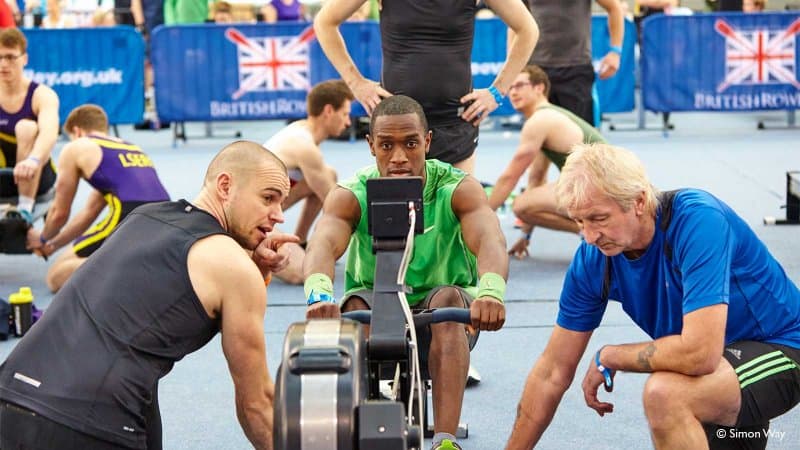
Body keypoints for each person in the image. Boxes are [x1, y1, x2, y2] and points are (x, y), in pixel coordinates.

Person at [0, 140, 297, 450]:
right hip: (87, 427)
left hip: (10, 400)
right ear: (225, 186)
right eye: (268, 198)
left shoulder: (144, 217)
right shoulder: (233, 268)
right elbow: (257, 408)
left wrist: (257, 270)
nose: (279, 215)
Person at [505, 143, 800, 450]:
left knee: (665, 394)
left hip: (782, 347)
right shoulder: (593, 259)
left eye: (598, 218)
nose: (589, 236)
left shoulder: (698, 220)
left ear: (639, 201)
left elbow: (700, 353)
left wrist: (610, 355)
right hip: (715, 376)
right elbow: (551, 372)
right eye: (579, 222)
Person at [303, 95, 509, 450]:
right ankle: (368, 427)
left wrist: (490, 291)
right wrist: (320, 292)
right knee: (354, 306)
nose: (399, 157)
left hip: (445, 318)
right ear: (371, 146)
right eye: (386, 145)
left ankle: (445, 442)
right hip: (374, 312)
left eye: (411, 143)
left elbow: (491, 239)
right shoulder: (351, 193)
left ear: (427, 142)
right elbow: (322, 243)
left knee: (446, 298)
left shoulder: (456, 188)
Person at [313, 0, 538, 175]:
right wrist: (356, 83)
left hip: (455, 122)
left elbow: (528, 29)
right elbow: (324, 22)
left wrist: (497, 91)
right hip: (398, 124)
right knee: (399, 221)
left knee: (456, 220)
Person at [25, 104, 171, 293]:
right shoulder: (130, 147)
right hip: (166, 215)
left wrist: (43, 237)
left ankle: (134, 269)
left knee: (56, 277)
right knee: (71, 259)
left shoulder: (77, 146)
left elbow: (59, 213)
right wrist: (52, 245)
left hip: (132, 214)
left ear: (77, 131)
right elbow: (89, 212)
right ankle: (139, 261)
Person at [486, 66, 606, 259]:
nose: (513, 92)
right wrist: (525, 234)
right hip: (602, 186)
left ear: (539, 88)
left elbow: (510, 177)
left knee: (520, 204)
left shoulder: (540, 120)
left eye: (520, 85)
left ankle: (595, 232)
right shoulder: (547, 117)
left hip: (603, 188)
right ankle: (594, 231)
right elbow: (536, 179)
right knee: (526, 203)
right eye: (511, 87)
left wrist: (477, 218)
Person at [262, 79, 353, 285]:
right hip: (246, 220)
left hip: (260, 208)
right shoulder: (304, 146)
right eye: (345, 114)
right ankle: (247, 249)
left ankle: (300, 242)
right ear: (329, 110)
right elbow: (338, 204)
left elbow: (327, 188)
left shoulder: (300, 130)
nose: (348, 122)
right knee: (304, 273)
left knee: (328, 174)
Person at [514, 0, 624, 125]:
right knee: (540, 134)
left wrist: (616, 51)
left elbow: (614, 8)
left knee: (582, 136)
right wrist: (514, 65)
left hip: (575, 69)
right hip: (537, 70)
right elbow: (515, 21)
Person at [0, 27, 59, 223]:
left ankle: (25, 209)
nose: (3, 64)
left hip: (36, 173)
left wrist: (33, 161)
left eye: (10, 57)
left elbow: (49, 133)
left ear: (24, 59)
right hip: (4, 175)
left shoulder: (42, 94)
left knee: (27, 127)